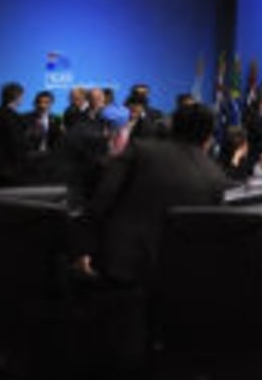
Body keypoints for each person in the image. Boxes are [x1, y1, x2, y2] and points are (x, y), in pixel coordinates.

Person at [80, 102, 226, 289]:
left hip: (119, 264)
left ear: (173, 125)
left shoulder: (140, 149)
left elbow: (103, 199)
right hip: (175, 278)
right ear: (209, 136)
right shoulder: (216, 176)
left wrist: (83, 248)